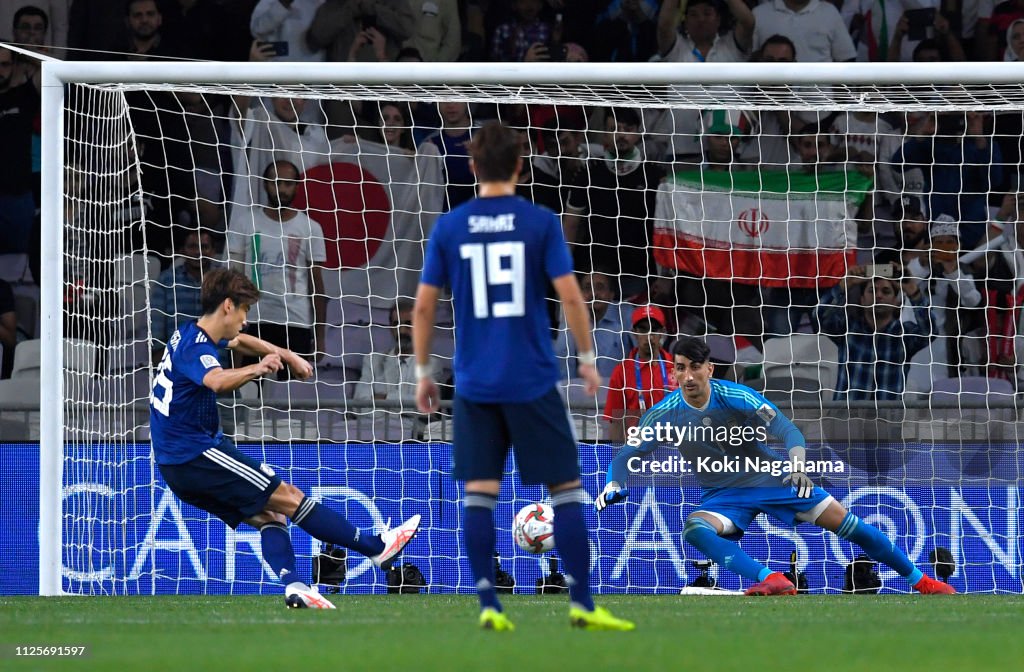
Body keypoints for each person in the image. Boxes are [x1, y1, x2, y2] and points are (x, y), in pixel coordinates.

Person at [412, 121, 634, 631]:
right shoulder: (539, 222)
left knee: (480, 493)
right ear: (519, 166)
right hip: (532, 379)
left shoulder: (450, 226)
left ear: (471, 167)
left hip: (473, 383)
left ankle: (490, 607)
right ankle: (582, 604)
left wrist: (425, 371)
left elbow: (424, 307)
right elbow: (572, 295)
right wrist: (584, 357)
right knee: (566, 489)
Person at [596, 336, 956, 595]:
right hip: (723, 495)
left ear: (710, 368)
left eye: (694, 368)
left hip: (770, 478)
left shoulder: (737, 396)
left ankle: (922, 582)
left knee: (849, 526)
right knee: (694, 529)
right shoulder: (664, 413)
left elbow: (787, 430)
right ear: (673, 373)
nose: (687, 377)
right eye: (679, 369)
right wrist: (614, 483)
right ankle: (772, 579)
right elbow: (627, 455)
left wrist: (798, 467)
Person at [150, 268, 420, 609]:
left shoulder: (192, 331)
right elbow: (216, 381)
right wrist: (256, 369)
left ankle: (295, 586)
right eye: (245, 312)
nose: (246, 322)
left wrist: (288, 355)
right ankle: (376, 548)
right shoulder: (195, 349)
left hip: (177, 463)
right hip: (195, 453)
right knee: (288, 496)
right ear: (229, 306)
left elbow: (239, 341)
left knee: (270, 516)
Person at [227, 160, 326, 364]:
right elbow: (232, 280)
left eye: (288, 184)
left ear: (297, 187)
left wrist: (320, 336)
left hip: (296, 321)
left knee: (292, 391)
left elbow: (316, 286)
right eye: (276, 183)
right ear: (265, 184)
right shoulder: (245, 222)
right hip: (252, 320)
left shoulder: (311, 228)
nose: (281, 189)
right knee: (249, 390)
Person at [818, 266, 931, 400]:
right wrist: (844, 286)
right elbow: (819, 315)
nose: (879, 295)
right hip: (847, 418)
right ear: (862, 300)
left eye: (886, 291)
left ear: (896, 302)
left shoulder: (904, 334)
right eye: (872, 291)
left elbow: (929, 331)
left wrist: (914, 293)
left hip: (887, 419)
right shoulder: (847, 328)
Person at [602, 305, 677, 444]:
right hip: (635, 450)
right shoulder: (622, 371)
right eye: (643, 329)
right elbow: (616, 424)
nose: (649, 336)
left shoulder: (677, 368)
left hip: (671, 451)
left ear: (663, 332)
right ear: (634, 333)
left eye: (654, 329)